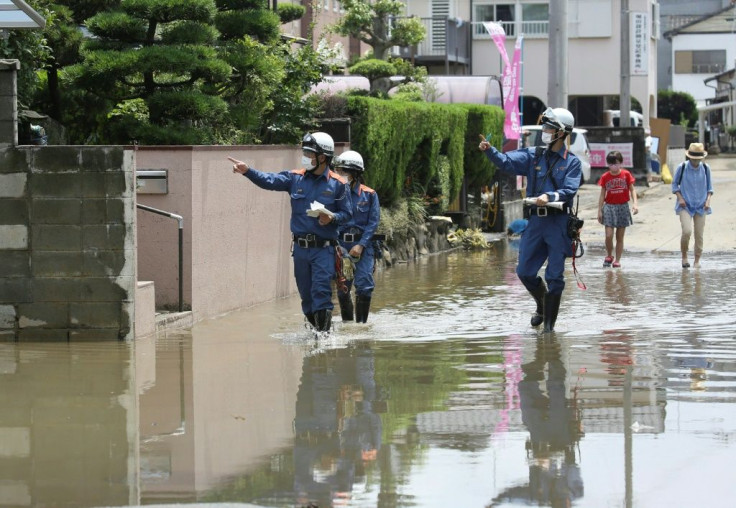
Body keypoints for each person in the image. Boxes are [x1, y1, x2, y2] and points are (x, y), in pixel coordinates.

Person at [228, 132, 352, 332]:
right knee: (307, 298)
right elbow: (270, 180)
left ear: (323, 157)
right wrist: (248, 171)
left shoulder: (338, 184)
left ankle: (324, 343)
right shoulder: (295, 178)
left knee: (321, 294)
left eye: (309, 153)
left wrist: (332, 218)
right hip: (301, 249)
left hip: (324, 250)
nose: (305, 156)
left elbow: (348, 214)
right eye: (305, 152)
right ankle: (316, 335)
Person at [478, 107, 582, 332]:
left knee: (555, 277)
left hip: (558, 223)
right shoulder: (533, 154)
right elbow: (506, 162)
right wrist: (490, 151)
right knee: (524, 272)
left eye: (549, 127)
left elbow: (570, 188)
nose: (544, 130)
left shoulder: (572, 162)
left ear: (562, 132)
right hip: (535, 222)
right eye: (544, 126)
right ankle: (541, 305)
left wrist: (549, 196)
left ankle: (549, 331)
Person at [333, 150, 381, 323]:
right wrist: (338, 247)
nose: (340, 174)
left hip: (363, 246)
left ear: (355, 173)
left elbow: (373, 222)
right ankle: (347, 326)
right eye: (338, 170)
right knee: (343, 287)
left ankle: (361, 327)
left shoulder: (369, 194)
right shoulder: (334, 193)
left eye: (343, 171)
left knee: (364, 286)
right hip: (340, 246)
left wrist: (361, 245)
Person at [671, 142, 713, 269]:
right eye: (693, 159)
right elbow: (674, 185)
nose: (696, 162)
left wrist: (708, 200)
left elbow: (710, 188)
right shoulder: (682, 167)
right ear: (689, 157)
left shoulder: (706, 168)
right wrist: (680, 198)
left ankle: (697, 260)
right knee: (687, 231)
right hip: (685, 205)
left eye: (698, 159)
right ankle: (684, 256)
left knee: (699, 234)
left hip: (701, 205)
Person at [597, 150, 638, 268]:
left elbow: (632, 189)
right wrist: (599, 210)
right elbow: (602, 194)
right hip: (609, 207)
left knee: (620, 236)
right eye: (610, 164)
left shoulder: (626, 174)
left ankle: (618, 260)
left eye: (615, 163)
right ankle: (609, 255)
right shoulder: (605, 177)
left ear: (620, 163)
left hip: (623, 207)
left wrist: (635, 204)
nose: (613, 166)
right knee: (609, 235)